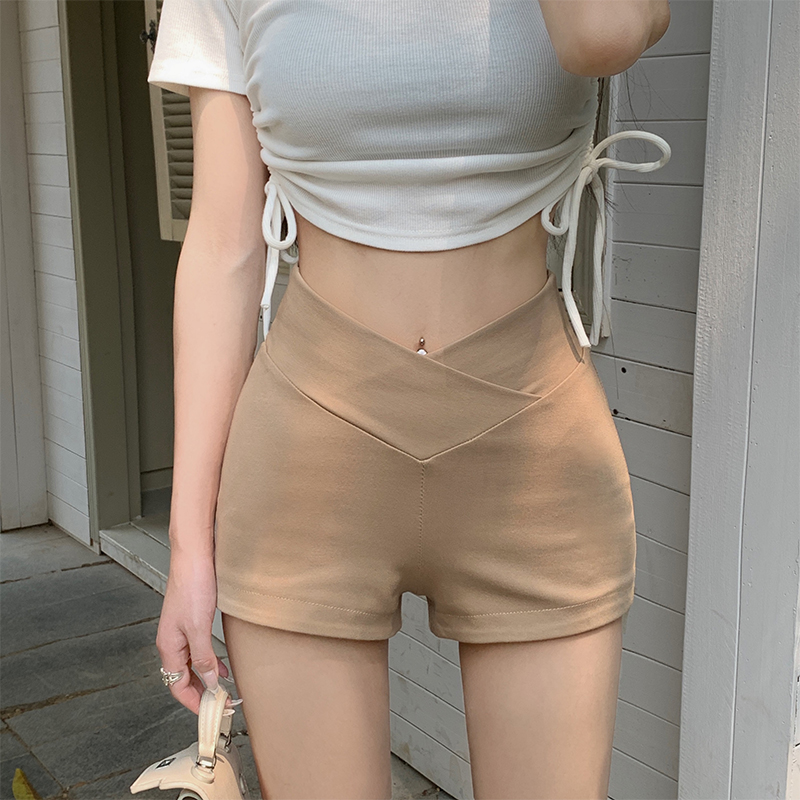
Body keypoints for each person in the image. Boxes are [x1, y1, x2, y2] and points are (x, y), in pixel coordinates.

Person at [147, 1, 671, 797]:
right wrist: (189, 548)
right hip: (308, 448)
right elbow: (224, 243)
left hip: (533, 445)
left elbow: (604, 33)